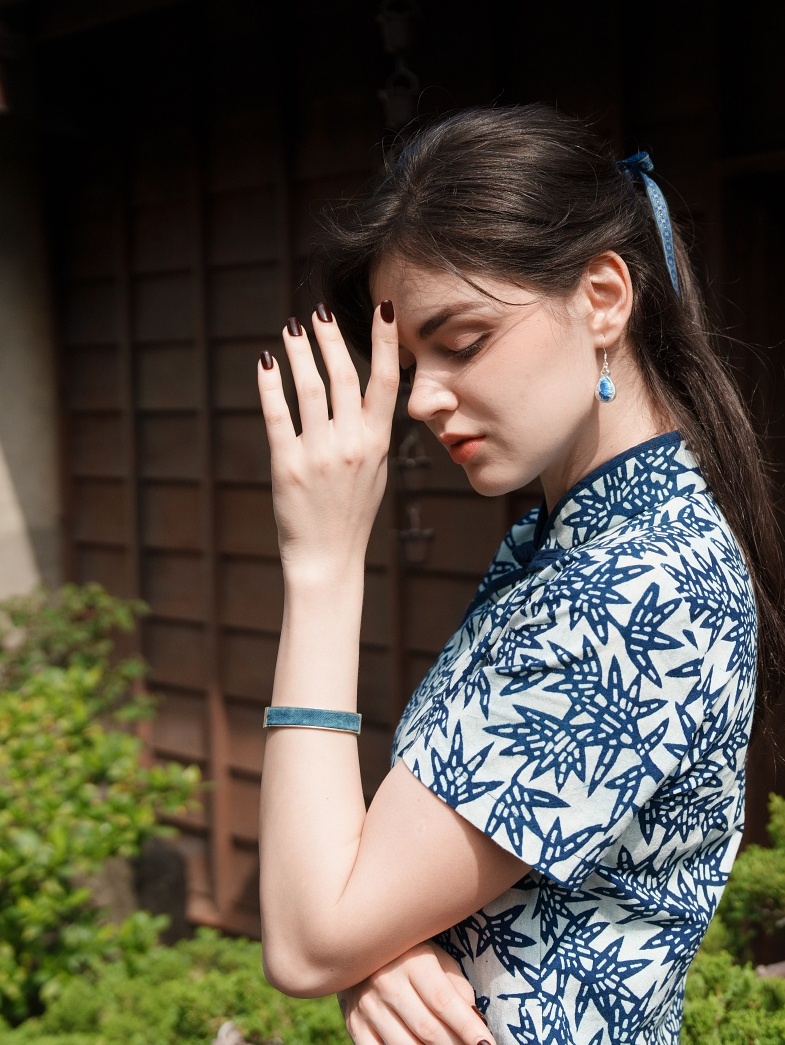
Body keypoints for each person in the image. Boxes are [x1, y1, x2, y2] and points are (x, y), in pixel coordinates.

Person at [255, 104, 785, 1045]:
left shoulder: (637, 589)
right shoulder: (573, 541)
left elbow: (306, 941)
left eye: (460, 341)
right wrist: (379, 944)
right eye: (408, 362)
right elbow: (354, 910)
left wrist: (324, 564)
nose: (421, 399)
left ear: (602, 297)